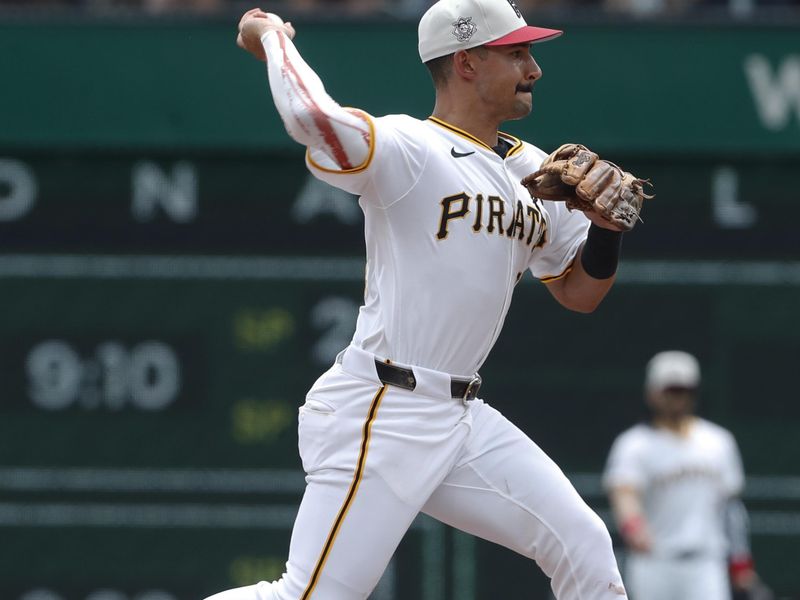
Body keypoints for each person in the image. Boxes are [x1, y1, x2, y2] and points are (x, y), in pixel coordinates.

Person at [207, 0, 639, 597]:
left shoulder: (534, 174)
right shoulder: (411, 148)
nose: (533, 67)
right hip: (381, 406)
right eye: (516, 52)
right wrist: (273, 38)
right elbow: (314, 118)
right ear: (466, 62)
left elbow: (579, 293)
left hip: (460, 417)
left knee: (583, 545)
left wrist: (608, 233)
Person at [603, 350, 766, 600]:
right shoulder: (633, 444)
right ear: (652, 393)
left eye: (682, 390)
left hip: (706, 562)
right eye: (669, 390)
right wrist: (633, 526)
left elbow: (731, 509)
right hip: (654, 561)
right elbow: (624, 492)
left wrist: (740, 562)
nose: (676, 397)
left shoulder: (718, 442)